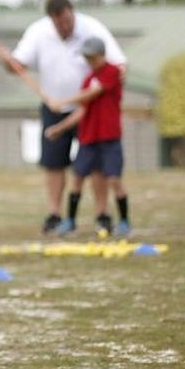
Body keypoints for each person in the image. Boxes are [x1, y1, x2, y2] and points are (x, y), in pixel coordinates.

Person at [0, 0, 126, 235]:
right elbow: (18, 65)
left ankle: (102, 214)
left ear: (72, 12)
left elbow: (118, 64)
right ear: (51, 20)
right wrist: (8, 61)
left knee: (96, 164)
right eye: (58, 23)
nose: (64, 27)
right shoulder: (38, 32)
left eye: (67, 21)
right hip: (53, 108)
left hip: (90, 110)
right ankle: (55, 214)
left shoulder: (92, 28)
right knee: (54, 163)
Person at [43, 36, 130, 237]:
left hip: (109, 137)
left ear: (102, 55)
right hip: (88, 138)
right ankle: (70, 221)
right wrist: (60, 128)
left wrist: (62, 101)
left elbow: (91, 95)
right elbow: (82, 110)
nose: (90, 62)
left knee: (114, 179)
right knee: (77, 178)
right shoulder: (88, 79)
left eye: (93, 57)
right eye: (87, 58)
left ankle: (124, 221)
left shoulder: (112, 72)